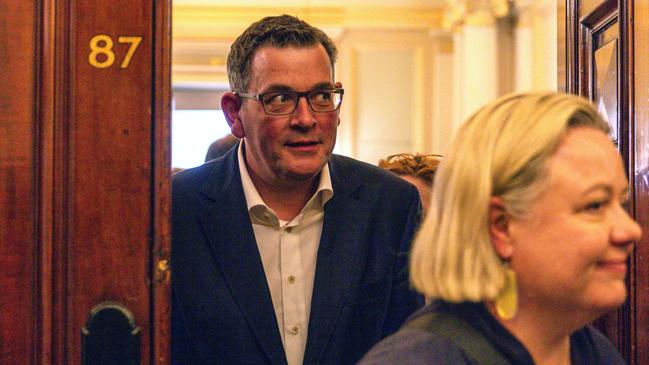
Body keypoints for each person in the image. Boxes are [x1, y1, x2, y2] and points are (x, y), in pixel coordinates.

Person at [171, 14, 423, 365]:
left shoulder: (390, 205)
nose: (306, 118)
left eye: (322, 95)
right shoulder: (177, 208)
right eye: (279, 99)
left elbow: (408, 346)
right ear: (234, 113)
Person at [359, 92, 641, 365]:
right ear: (501, 227)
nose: (629, 231)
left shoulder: (592, 350)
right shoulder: (419, 359)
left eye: (622, 204)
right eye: (595, 206)